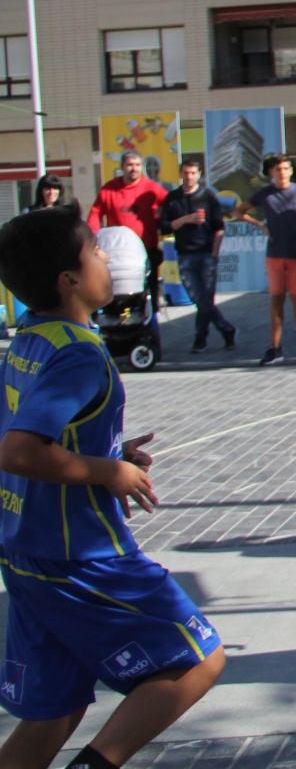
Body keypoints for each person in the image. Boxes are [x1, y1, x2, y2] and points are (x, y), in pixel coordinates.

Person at [0, 207, 226, 767]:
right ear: (69, 280)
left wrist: (106, 451)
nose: (106, 256)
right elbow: (20, 449)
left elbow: (32, 428)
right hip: (82, 555)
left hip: (26, 550)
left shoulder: (32, 337)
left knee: (52, 713)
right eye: (94, 250)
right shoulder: (77, 354)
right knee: (198, 658)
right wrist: (108, 472)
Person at [235, 155, 296, 366]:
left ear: (291, 171)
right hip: (274, 254)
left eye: (285, 168)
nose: (282, 172)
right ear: (271, 172)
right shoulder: (264, 193)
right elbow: (239, 211)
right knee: (277, 300)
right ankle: (275, 348)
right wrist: (260, 225)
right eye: (278, 169)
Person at [160, 158, 236, 355]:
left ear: (199, 175)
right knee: (198, 298)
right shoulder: (173, 198)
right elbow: (165, 227)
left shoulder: (208, 196)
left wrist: (214, 253)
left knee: (206, 298)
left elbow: (219, 227)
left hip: (206, 254)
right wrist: (186, 219)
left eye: (193, 173)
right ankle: (225, 328)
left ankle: (200, 338)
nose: (189, 177)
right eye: (186, 173)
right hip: (185, 255)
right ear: (180, 174)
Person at [87, 151, 167, 304]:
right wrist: (93, 238)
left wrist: (163, 222)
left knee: (149, 292)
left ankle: (152, 316)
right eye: (129, 165)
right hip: (118, 253)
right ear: (122, 167)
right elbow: (95, 213)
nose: (134, 169)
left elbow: (171, 205)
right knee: (118, 295)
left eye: (137, 165)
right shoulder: (109, 189)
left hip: (147, 250)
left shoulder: (152, 188)